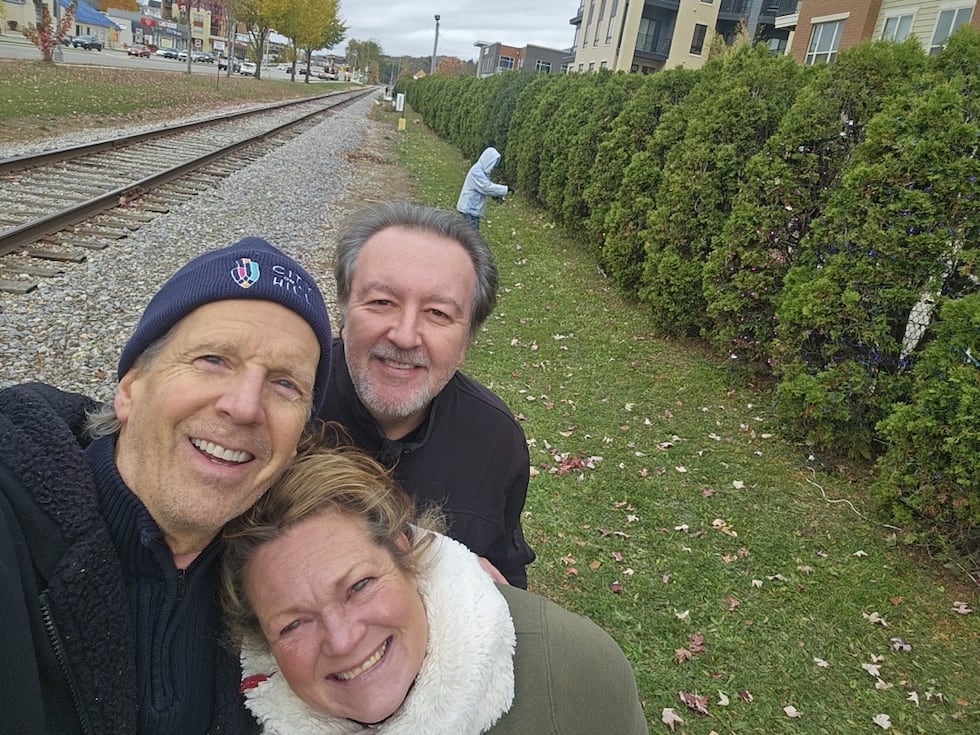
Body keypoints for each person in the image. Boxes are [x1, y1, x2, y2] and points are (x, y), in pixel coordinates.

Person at [0, 237, 334, 734]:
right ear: (130, 387)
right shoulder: (14, 520)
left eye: (285, 384)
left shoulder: (280, 582)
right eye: (213, 360)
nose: (243, 406)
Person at [221, 446, 649, 735]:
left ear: (405, 552)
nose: (343, 639)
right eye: (294, 623)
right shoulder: (246, 711)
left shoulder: (578, 675)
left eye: (359, 586)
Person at [318, 201, 535, 588]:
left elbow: (508, 568)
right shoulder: (287, 404)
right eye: (382, 302)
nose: (404, 335)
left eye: (437, 313)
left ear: (467, 338)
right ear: (343, 310)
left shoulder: (497, 443)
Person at [456, 146, 511, 229]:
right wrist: (506, 189)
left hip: (471, 209)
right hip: (469, 209)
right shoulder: (476, 172)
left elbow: (485, 187)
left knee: (470, 234)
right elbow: (486, 187)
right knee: (470, 235)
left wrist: (496, 195)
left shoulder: (482, 171)